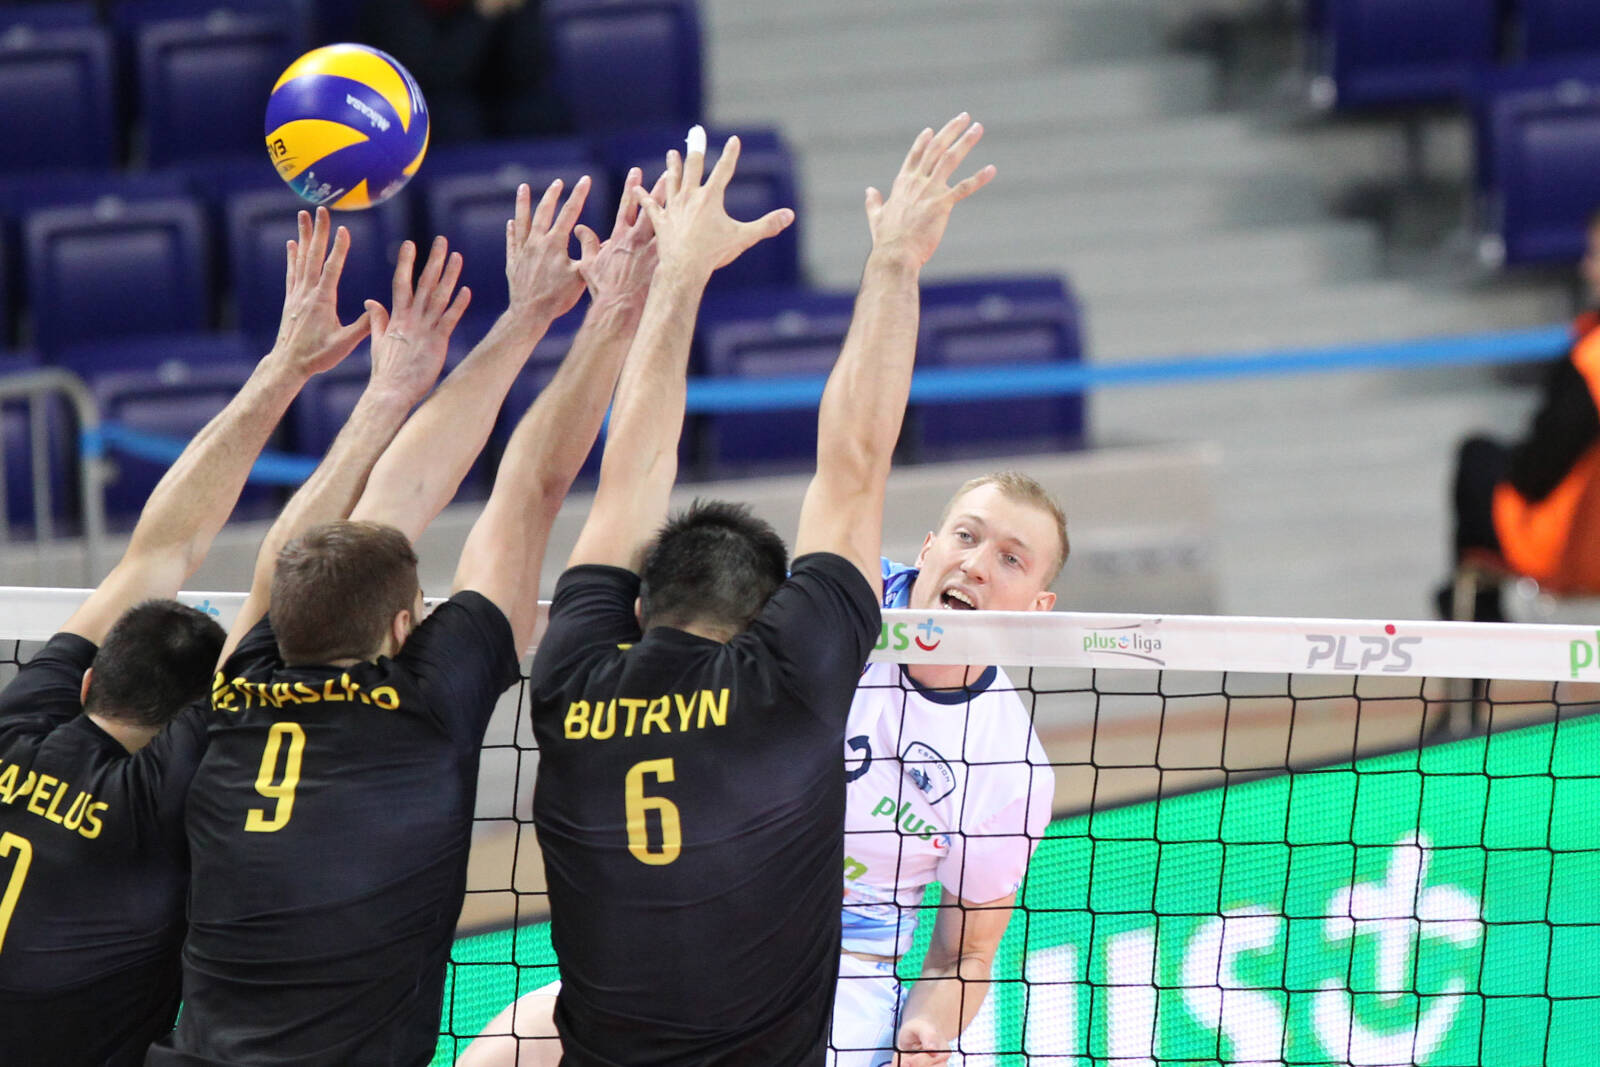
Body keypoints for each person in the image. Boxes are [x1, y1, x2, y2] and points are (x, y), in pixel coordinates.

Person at [460, 113, 996, 1067]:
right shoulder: (788, 681)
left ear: (636, 608)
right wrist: (894, 262)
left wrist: (677, 275)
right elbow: (854, 463)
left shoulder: (572, 677)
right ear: (763, 619)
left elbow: (629, 480)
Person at [149, 170, 661, 1065]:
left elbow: (347, 532)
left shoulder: (234, 694)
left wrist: (399, 387)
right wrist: (580, 312)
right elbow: (529, 489)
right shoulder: (423, 707)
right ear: (399, 629)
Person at [0, 207, 378, 1065]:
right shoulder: (160, 799)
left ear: (88, 682)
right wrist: (383, 397)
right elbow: (278, 581)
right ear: (190, 723)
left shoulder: (16, 725)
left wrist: (282, 365)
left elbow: (153, 555)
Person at [833, 471, 1064, 1066]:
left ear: (1037, 609)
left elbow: (963, 957)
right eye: (966, 536)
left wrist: (928, 1030)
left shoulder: (1010, 771)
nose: (976, 565)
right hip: (713, 915)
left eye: (1010, 559)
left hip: (844, 974)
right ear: (928, 549)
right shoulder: (833, 601)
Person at [1444, 208, 1600, 620]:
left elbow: (1536, 472)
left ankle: (1479, 623)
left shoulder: (1591, 361)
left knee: (1478, 459)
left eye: (1596, 255)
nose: (1586, 268)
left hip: (1574, 551)